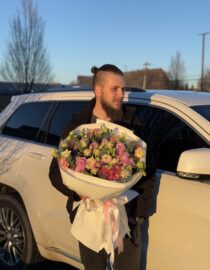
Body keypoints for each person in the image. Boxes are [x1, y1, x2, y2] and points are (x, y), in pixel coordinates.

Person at [49, 64, 156, 270]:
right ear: (98, 90)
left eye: (122, 89)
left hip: (126, 221)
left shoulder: (135, 125)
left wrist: (139, 213)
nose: (121, 94)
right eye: (115, 89)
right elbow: (55, 173)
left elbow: (149, 171)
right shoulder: (77, 127)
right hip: (89, 217)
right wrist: (78, 194)